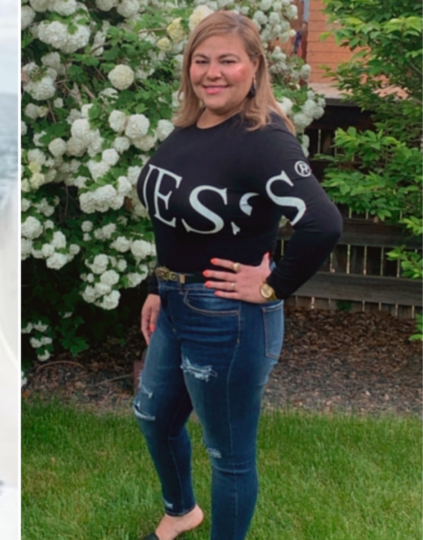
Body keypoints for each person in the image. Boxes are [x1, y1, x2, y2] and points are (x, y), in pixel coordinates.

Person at [134, 11, 341, 540]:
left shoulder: (262, 137)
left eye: (228, 60)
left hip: (227, 316)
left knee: (228, 454)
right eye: (201, 61)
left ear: (254, 66)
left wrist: (272, 287)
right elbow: (172, 221)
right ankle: (182, 510)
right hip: (178, 305)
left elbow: (321, 223)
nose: (212, 73)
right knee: (154, 417)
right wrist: (161, 286)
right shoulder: (190, 126)